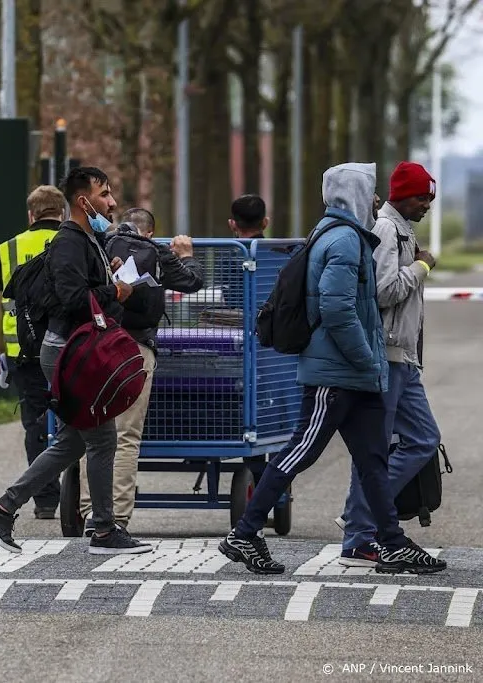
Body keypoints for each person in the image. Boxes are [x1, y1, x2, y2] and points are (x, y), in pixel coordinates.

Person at [218, 162, 445, 575]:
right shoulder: (342, 240)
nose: (377, 200)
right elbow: (337, 309)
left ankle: (390, 542)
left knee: (374, 461)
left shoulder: (346, 235)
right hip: (337, 375)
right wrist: (367, 358)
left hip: (354, 375)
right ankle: (245, 533)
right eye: (371, 192)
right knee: (298, 453)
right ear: (354, 193)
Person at [0, 166, 150, 556]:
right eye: (104, 194)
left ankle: (4, 507)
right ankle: (104, 529)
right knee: (101, 438)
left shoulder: (85, 239)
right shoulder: (70, 241)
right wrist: (115, 291)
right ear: (83, 201)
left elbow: (80, 288)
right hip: (69, 350)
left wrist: (109, 275)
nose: (112, 202)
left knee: (76, 439)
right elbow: (72, 297)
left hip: (73, 347)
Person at [336, 162, 442, 566]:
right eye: (422, 197)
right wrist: (422, 266)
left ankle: (362, 516)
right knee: (375, 450)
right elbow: (383, 291)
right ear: (401, 195)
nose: (427, 204)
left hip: (404, 358)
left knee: (422, 439)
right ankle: (358, 535)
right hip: (388, 354)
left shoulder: (402, 229)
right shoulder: (385, 230)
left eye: (430, 197)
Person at [79, 208, 204, 534]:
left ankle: (88, 511)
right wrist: (187, 256)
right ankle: (115, 518)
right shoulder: (159, 253)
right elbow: (193, 282)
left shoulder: (100, 245)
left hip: (96, 346)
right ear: (150, 233)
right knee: (126, 435)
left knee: (92, 431)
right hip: (135, 350)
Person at [0, 185, 63, 519]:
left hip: (25, 353)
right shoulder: (75, 243)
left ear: (31, 215)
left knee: (36, 423)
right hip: (69, 348)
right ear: (62, 213)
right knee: (82, 420)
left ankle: (45, 500)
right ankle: (86, 494)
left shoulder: (8, 249)